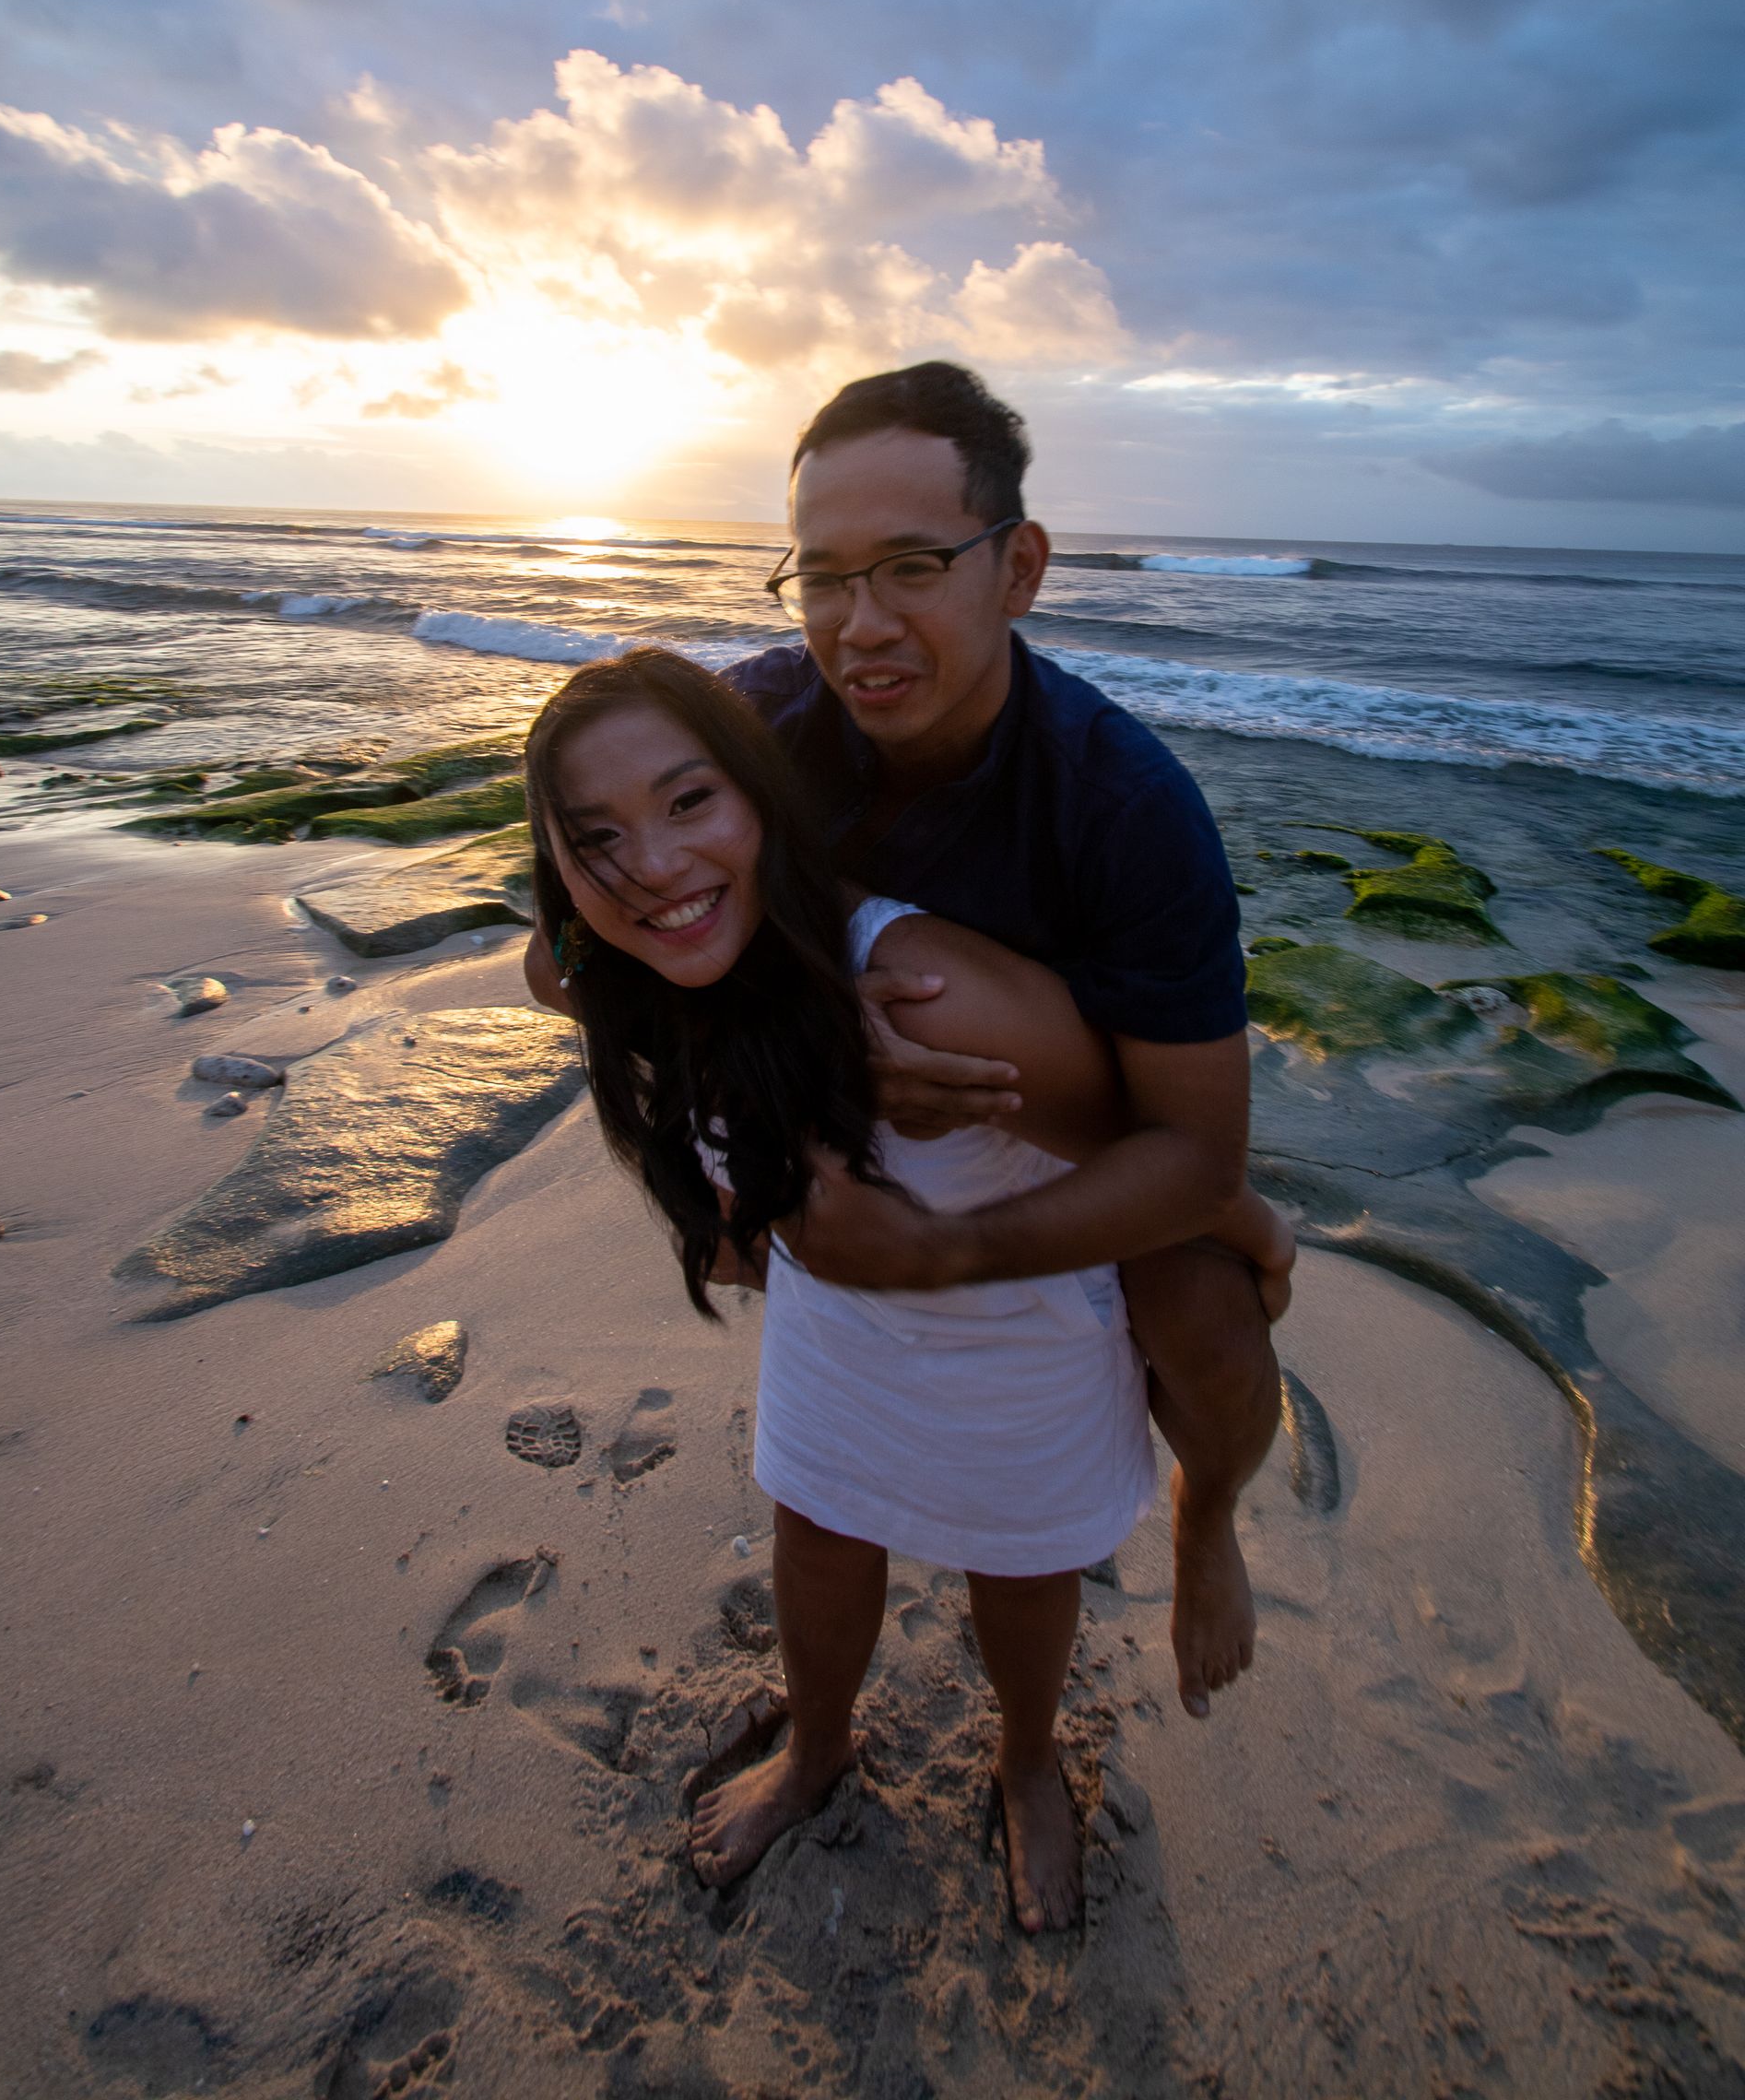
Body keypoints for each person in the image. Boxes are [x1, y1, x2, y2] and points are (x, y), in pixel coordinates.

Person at [522, 648, 1291, 1929]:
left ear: (763, 798)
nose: (650, 867)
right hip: (838, 1317)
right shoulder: (601, 963)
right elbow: (564, 967)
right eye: (596, 839)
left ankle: (1029, 1758)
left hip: (1020, 1316)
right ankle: (818, 1750)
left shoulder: (926, 988)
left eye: (689, 802)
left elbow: (1162, 1147)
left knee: (1022, 1564)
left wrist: (1260, 1234)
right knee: (820, 1526)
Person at [713, 362, 1287, 1720]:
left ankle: (1206, 1516)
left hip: (1076, 1140)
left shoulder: (1123, 806)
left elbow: (1193, 1152)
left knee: (1206, 1313)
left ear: (1018, 568)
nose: (861, 625)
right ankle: (818, 1742)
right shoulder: (756, 728)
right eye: (822, 577)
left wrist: (951, 1254)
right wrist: (810, 1017)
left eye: (913, 567)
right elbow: (578, 930)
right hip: (862, 1139)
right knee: (804, 1435)